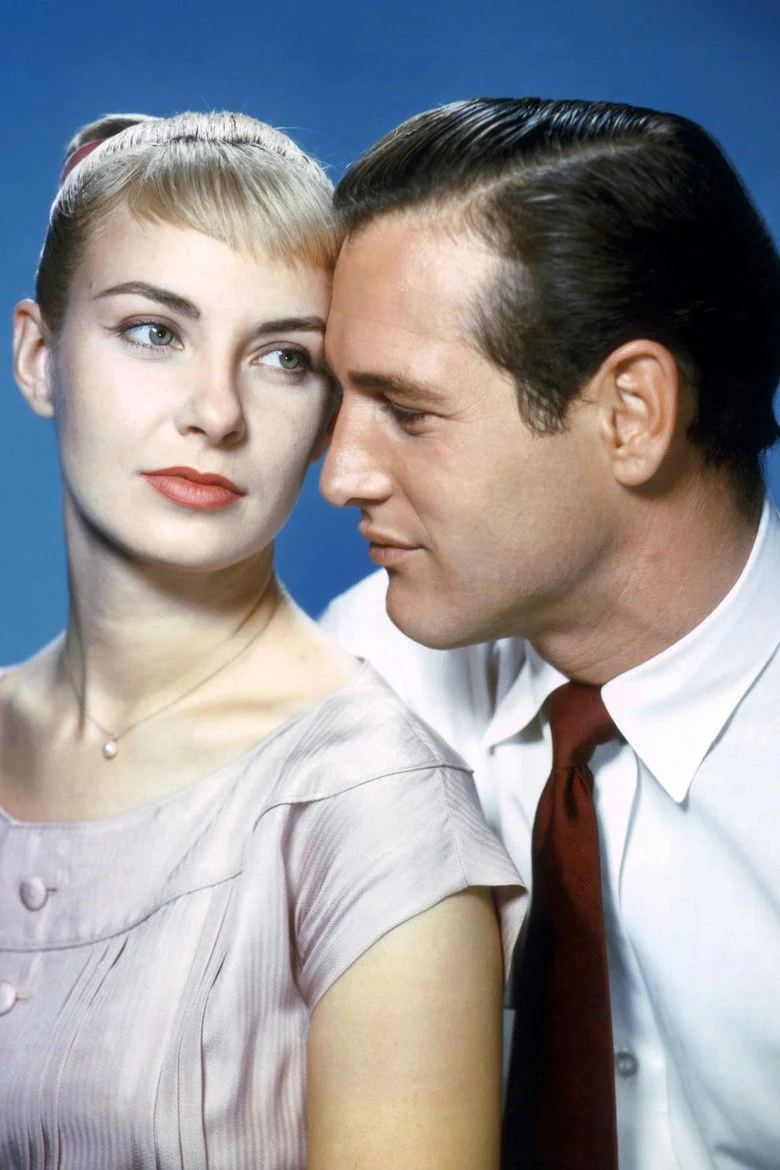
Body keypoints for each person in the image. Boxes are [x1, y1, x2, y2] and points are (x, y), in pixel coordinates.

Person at [0, 110, 526, 1170]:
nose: (216, 412)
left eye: (284, 357)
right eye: (155, 331)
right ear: (40, 356)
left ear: (330, 410)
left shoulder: (373, 806)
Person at [319, 97, 780, 1170]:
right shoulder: (361, 674)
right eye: (339, 395)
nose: (339, 474)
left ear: (631, 414)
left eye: (408, 411)